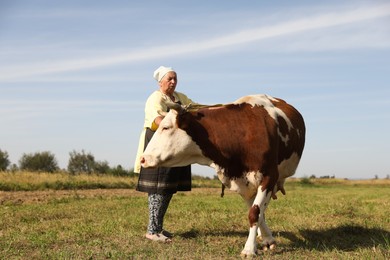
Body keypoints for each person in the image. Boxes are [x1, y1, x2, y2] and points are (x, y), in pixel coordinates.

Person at [134, 66, 196, 243]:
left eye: (175, 78)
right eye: (169, 79)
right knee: (157, 187)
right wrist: (177, 124)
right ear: (161, 81)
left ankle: (158, 227)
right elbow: (158, 120)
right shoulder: (155, 98)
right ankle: (152, 231)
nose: (173, 82)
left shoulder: (181, 98)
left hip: (173, 145)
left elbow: (195, 109)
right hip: (157, 144)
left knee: (168, 187)